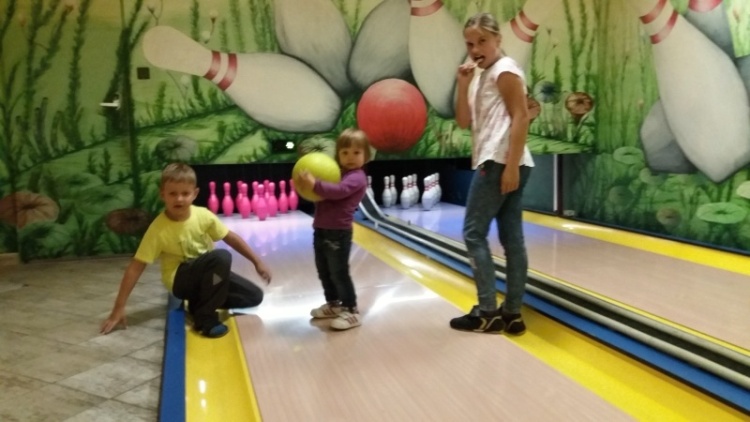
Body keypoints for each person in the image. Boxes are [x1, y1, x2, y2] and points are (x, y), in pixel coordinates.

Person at [100, 163, 272, 338]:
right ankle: (205, 319)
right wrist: (118, 307)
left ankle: (199, 303)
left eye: (185, 193)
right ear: (162, 194)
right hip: (180, 280)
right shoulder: (157, 230)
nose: (179, 199)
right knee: (221, 257)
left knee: (253, 296)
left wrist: (257, 261)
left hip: (205, 273)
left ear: (195, 194)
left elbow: (230, 237)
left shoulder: (203, 215)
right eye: (173, 194)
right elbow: (136, 267)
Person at [450, 12, 535, 335]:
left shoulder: (505, 70)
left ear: (498, 39)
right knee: (512, 239)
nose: (475, 49)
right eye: (469, 44)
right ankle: (511, 313)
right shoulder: (480, 76)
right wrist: (463, 85)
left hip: (500, 161)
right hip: (505, 160)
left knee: (473, 233)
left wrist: (510, 166)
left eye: (482, 41)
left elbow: (521, 117)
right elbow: (463, 121)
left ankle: (487, 312)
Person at [295, 128, 371, 330]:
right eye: (345, 152)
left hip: (338, 232)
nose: (350, 157)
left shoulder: (357, 177)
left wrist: (315, 184)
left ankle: (351, 310)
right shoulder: (336, 172)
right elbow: (319, 193)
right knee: (324, 271)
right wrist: (307, 183)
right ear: (338, 154)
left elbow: (339, 191)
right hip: (321, 229)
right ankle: (334, 304)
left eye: (356, 152)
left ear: (366, 155)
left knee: (339, 273)